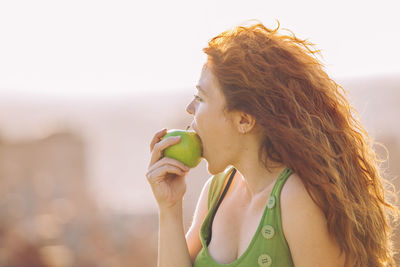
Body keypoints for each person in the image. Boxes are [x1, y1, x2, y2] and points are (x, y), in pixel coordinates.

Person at [146, 20, 399, 267]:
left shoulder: (297, 197)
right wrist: (169, 206)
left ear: (244, 120)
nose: (190, 109)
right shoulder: (217, 191)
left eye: (200, 98)